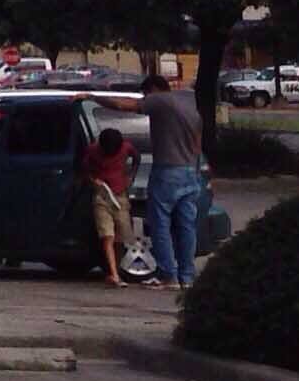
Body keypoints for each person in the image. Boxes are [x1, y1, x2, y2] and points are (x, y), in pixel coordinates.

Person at [139, 66, 208, 292]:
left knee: (160, 224)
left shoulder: (160, 101)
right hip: (190, 171)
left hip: (167, 171)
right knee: (187, 226)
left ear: (154, 90)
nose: (145, 99)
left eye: (146, 94)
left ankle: (167, 274)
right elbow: (198, 145)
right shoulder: (189, 107)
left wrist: (91, 97)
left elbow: (125, 105)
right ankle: (187, 276)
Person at [77, 124, 132, 287]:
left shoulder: (126, 147)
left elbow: (136, 157)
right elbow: (84, 168)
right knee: (107, 235)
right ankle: (114, 273)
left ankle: (118, 271)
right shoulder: (93, 150)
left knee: (122, 234)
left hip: (120, 195)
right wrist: (93, 180)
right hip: (102, 195)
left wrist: (130, 176)